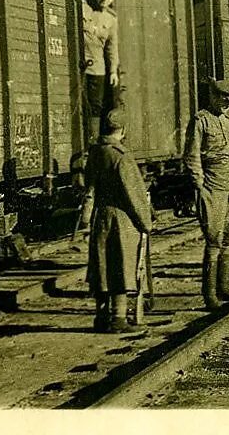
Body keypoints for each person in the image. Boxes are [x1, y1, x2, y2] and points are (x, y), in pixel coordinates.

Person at [80, 108, 152, 333]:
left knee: (103, 266)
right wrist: (146, 222)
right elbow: (134, 194)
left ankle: (101, 318)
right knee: (121, 266)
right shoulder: (121, 157)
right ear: (123, 129)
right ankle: (119, 319)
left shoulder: (96, 152)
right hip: (122, 219)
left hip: (101, 216)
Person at [183, 79, 229, 309]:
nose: (226, 105)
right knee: (214, 239)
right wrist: (199, 184)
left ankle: (224, 287)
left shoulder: (228, 120)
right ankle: (210, 295)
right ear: (212, 96)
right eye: (223, 99)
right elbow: (192, 155)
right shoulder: (200, 120)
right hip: (214, 185)